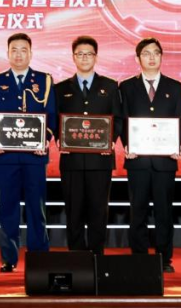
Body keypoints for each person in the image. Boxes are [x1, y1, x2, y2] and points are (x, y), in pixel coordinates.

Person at [0, 32, 57, 272]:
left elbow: (51, 116)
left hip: (35, 157)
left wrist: (45, 140)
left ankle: (39, 258)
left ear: (31, 53)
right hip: (6, 157)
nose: (18, 54)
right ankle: (9, 259)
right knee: (8, 208)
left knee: (37, 209)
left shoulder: (44, 80)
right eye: (14, 50)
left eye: (23, 50)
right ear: (7, 53)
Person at [118, 36, 181, 273]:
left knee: (164, 211)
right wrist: (127, 144)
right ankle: (139, 257)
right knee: (138, 211)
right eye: (146, 53)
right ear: (138, 59)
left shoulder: (174, 86)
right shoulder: (126, 87)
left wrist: (178, 144)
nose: (152, 57)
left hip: (165, 161)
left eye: (156, 53)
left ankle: (164, 259)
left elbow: (180, 120)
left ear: (161, 57)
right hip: (137, 160)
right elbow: (123, 119)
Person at [55, 35, 122, 255]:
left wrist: (109, 141)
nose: (84, 58)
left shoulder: (110, 86)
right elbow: (55, 120)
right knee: (73, 212)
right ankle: (76, 258)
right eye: (80, 54)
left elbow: (118, 119)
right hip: (72, 161)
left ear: (96, 57)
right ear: (73, 57)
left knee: (98, 212)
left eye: (89, 54)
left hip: (100, 161)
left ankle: (96, 256)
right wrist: (58, 137)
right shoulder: (60, 88)